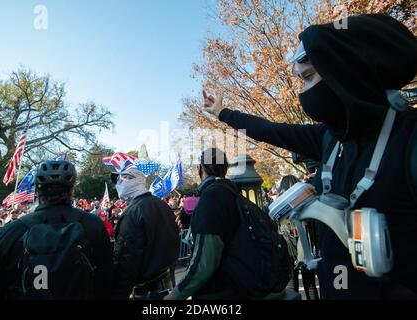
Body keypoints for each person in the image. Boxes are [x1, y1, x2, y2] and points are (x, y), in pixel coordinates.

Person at [201, 14, 417, 299]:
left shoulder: (409, 138)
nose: (302, 91)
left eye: (308, 77)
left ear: (345, 72)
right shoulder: (329, 138)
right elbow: (269, 130)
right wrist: (222, 113)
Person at [0, 160, 113, 299]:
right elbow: (106, 280)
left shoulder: (12, 230)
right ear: (72, 190)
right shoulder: (93, 225)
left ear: (37, 191)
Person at [165, 148, 242, 300]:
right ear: (225, 169)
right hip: (237, 284)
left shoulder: (211, 198)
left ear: (200, 169)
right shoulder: (232, 192)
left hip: (217, 293)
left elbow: (204, 264)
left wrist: (175, 295)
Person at [111, 167, 179, 300]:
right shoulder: (162, 205)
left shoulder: (132, 212)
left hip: (146, 290)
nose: (118, 184)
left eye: (121, 179)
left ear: (133, 181)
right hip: (167, 285)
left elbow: (126, 257)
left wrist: (120, 293)